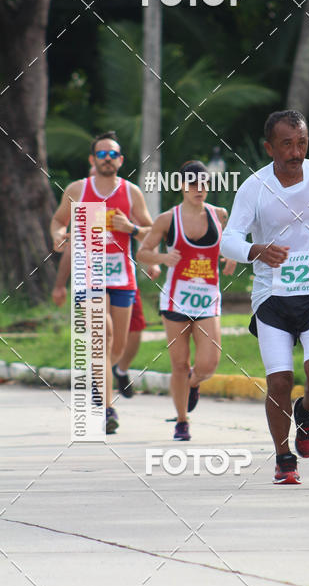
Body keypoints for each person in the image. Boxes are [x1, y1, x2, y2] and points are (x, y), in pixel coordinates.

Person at [220, 110, 309, 485]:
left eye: (302, 143)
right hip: (273, 298)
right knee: (279, 381)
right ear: (269, 148)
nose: (296, 153)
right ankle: (283, 459)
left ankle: (306, 409)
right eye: (287, 145)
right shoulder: (254, 187)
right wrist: (256, 250)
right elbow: (228, 240)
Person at [50, 131, 154, 433]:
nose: (107, 159)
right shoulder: (78, 189)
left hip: (122, 276)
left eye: (113, 154)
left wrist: (130, 228)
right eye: (102, 154)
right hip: (89, 273)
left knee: (117, 346)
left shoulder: (131, 192)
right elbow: (58, 221)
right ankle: (108, 410)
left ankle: (101, 378)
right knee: (103, 336)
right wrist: (58, 235)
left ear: (120, 160)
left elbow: (151, 231)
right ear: (92, 159)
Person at [137, 161, 235, 441]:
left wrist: (232, 257)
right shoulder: (167, 220)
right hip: (175, 300)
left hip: (207, 300)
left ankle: (193, 383)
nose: (199, 189)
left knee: (209, 364)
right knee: (179, 364)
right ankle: (182, 421)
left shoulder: (219, 215)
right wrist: (163, 258)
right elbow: (143, 252)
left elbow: (232, 243)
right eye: (192, 184)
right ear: (181, 186)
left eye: (203, 184)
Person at [51, 236, 160, 399]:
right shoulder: (85, 219)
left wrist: (153, 260)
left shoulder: (124, 218)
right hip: (93, 283)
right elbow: (69, 246)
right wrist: (60, 285)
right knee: (104, 334)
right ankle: (103, 387)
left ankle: (120, 370)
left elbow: (150, 231)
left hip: (123, 282)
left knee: (133, 333)